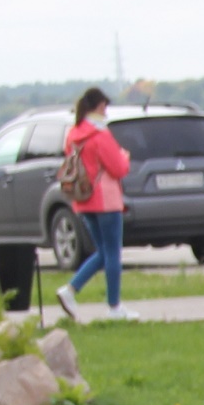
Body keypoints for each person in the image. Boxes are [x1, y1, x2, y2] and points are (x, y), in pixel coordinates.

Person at [56, 87, 136, 322]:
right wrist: (125, 157)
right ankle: (114, 307)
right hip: (106, 199)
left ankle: (71, 290)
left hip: (83, 198)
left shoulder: (73, 134)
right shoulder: (101, 135)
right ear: (100, 107)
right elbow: (118, 169)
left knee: (103, 252)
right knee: (112, 252)